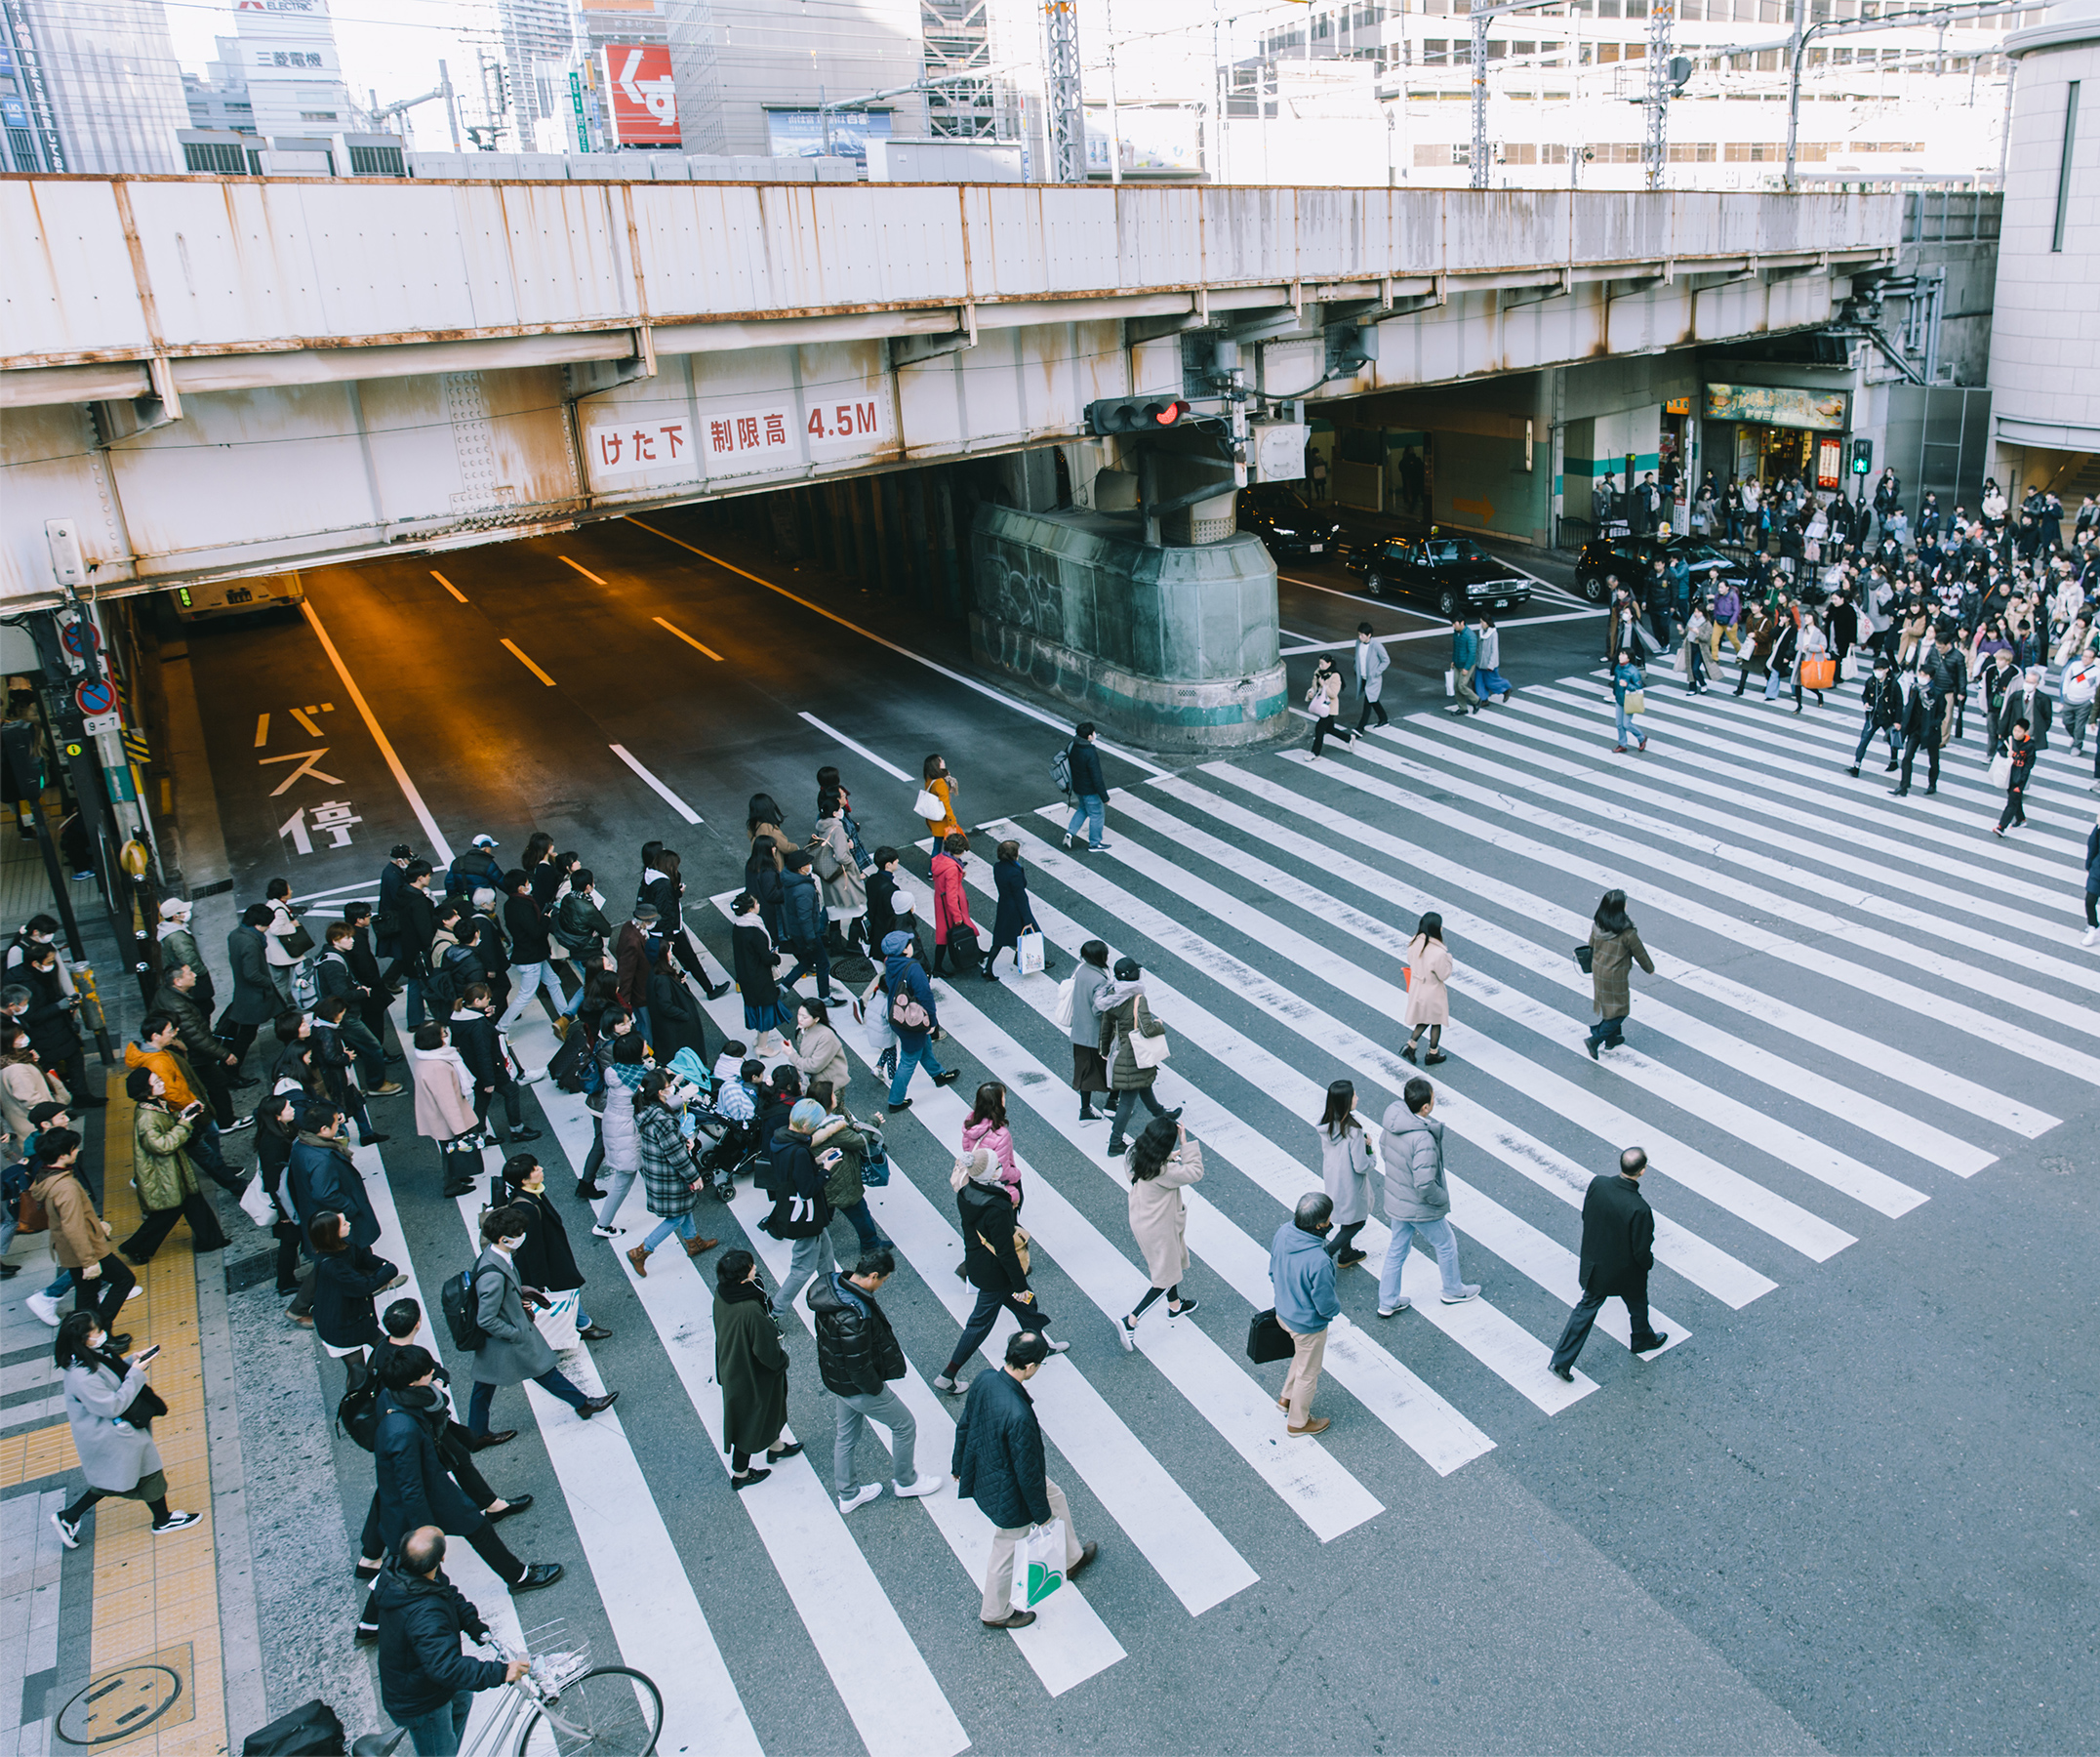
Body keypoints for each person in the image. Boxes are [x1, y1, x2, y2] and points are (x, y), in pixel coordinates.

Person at [951, 1328, 1096, 1630]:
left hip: (987, 1466)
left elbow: (965, 1424)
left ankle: (1071, 1557)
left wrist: (958, 1464)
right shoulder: (1020, 1415)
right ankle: (995, 1611)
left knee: (1055, 1496)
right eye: (1041, 1364)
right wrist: (1041, 1517)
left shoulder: (985, 1379)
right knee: (1006, 1546)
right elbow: (1028, 1473)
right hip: (1009, 1487)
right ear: (1029, 1366)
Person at [373, 1527, 531, 1757]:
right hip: (421, 1702)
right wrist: (501, 1672)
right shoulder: (424, 1615)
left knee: (463, 1700)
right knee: (440, 1751)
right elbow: (446, 1668)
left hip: (424, 1682)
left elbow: (446, 1593)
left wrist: (471, 1623)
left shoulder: (407, 1572)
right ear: (441, 1558)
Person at [464, 1205, 618, 1438]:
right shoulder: (493, 1274)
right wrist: (515, 1334)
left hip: (503, 1335)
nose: (523, 1236)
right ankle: (584, 1404)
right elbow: (486, 1318)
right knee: (542, 1370)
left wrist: (520, 1295)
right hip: (508, 1336)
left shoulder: (495, 1255)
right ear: (505, 1238)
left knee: (486, 1385)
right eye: (519, 1233)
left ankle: (476, 1433)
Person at [50, 1311, 200, 1545]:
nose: (102, 1334)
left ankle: (70, 1517)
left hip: (113, 1433)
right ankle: (162, 1520)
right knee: (143, 1473)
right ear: (83, 1338)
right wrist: (136, 1375)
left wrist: (132, 1363)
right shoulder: (81, 1376)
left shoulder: (81, 1357)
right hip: (114, 1433)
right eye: (96, 1331)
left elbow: (109, 1375)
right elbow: (112, 1406)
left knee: (122, 1476)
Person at [810, 1248, 941, 1512]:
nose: (882, 1285)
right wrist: (878, 1390)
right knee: (904, 1425)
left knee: (845, 1436)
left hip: (837, 1379)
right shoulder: (855, 1315)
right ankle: (906, 1481)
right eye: (883, 1280)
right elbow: (859, 1367)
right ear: (872, 1275)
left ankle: (848, 1494)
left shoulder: (833, 1288)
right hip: (858, 1386)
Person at [932, 1148, 1067, 1394]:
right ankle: (948, 1374)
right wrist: (1019, 1284)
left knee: (1026, 1304)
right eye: (996, 1167)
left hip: (978, 1262)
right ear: (989, 1175)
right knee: (981, 1323)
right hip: (996, 1274)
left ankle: (1041, 1344)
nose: (1000, 1169)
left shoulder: (967, 1192)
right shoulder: (996, 1206)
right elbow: (1006, 1251)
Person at [1548, 1148, 1670, 1380]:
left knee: (1586, 1308)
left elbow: (1587, 1215)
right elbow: (1641, 1250)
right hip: (1625, 1271)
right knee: (1637, 1301)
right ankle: (1642, 1339)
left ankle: (1561, 1360)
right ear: (1642, 1171)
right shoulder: (1639, 1208)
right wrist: (1647, 1263)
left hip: (1596, 1264)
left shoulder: (1599, 1184)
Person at [1377, 1076, 1479, 1318]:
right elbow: (1424, 1184)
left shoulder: (1393, 1122)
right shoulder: (1422, 1137)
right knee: (1445, 1243)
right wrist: (1441, 1198)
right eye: (1433, 1098)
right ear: (1425, 1107)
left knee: (1397, 1249)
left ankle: (1387, 1300)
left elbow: (1383, 1149)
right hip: (1418, 1205)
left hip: (1398, 1199)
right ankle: (1453, 1289)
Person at [119, 1067, 228, 1263]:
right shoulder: (146, 1117)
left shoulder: (156, 1105)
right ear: (146, 1089)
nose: (162, 1082)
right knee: (167, 1213)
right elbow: (161, 1145)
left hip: (173, 1169)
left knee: (193, 1203)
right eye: (157, 1081)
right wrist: (184, 1123)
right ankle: (135, 1247)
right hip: (164, 1173)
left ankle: (211, 1240)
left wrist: (185, 1115)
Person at [30, 1130, 134, 1335]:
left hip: (70, 1249)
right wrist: (89, 1261)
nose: (77, 1152)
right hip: (88, 1249)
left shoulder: (46, 1175)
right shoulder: (66, 1187)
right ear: (62, 1155)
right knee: (124, 1280)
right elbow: (73, 1226)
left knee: (87, 1294)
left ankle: (88, 1338)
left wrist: (95, 1223)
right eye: (73, 1148)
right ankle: (99, 1332)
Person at [714, 1248, 801, 1490]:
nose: (756, 1268)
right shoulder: (749, 1309)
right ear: (743, 1278)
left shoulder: (723, 1293)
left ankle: (776, 1447)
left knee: (767, 1408)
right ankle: (740, 1474)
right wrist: (782, 1362)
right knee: (748, 1419)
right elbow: (765, 1349)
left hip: (733, 1361)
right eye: (752, 1267)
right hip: (751, 1372)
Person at [501, 1154, 610, 1343]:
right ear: (523, 1180)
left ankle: (583, 1325)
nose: (540, 1169)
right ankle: (584, 1326)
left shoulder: (531, 1193)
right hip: (550, 1259)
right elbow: (533, 1248)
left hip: (552, 1253)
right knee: (567, 1288)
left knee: (567, 1288)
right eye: (535, 1169)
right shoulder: (526, 1207)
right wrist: (540, 1281)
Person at [626, 1070, 719, 1277]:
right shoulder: (663, 1120)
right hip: (669, 1174)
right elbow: (676, 1156)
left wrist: (679, 1140)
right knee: (676, 1216)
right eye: (669, 1086)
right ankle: (642, 1251)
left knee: (683, 1207)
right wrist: (694, 1176)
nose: (672, 1089)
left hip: (657, 1170)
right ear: (660, 1092)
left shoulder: (645, 1110)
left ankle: (694, 1242)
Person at [1119, 1117, 1202, 1345]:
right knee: (1163, 1278)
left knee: (1169, 1265)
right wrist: (1185, 1145)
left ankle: (1175, 1307)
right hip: (1158, 1227)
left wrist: (1169, 1155)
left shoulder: (1135, 1153)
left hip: (1142, 1217)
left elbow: (1152, 1167)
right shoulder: (1165, 1171)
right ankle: (1131, 1321)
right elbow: (1195, 1172)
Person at [1268, 1192, 1340, 1437]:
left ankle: (1286, 1398)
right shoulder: (1319, 1260)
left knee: (1301, 1358)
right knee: (1309, 1373)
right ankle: (1298, 1423)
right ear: (1320, 1225)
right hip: (1307, 1323)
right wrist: (1331, 1314)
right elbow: (1325, 1302)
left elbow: (1272, 1270)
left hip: (1284, 1311)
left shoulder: (1283, 1232)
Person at [1097, 957, 1181, 1157]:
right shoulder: (1137, 998)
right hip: (1134, 1052)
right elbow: (1147, 1028)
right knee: (1127, 1099)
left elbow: (1106, 1027)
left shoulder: (1111, 995)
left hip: (1120, 1049)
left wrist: (1104, 1050)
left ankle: (1162, 1115)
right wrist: (1159, 1025)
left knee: (1143, 1084)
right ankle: (1115, 1141)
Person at [310, 1210, 401, 1384]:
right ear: (332, 1233)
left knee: (382, 1347)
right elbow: (363, 1286)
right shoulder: (333, 1266)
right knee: (357, 1368)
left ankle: (369, 1384)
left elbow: (363, 1258)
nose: (349, 1224)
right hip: (340, 1325)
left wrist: (382, 1265)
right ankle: (361, 1396)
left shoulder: (343, 1247)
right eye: (344, 1224)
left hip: (352, 1318)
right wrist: (388, 1270)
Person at [765, 1097, 835, 1309]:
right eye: (815, 1126)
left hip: (796, 1209)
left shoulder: (778, 1140)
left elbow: (791, 1170)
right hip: (805, 1214)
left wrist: (816, 1160)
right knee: (802, 1269)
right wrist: (826, 1170)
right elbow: (808, 1189)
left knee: (825, 1253)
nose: (815, 1130)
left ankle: (833, 1289)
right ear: (805, 1126)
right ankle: (776, 1310)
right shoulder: (800, 1150)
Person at [808, 1079, 891, 1253]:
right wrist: (873, 1121)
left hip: (825, 1175)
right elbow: (859, 1142)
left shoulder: (810, 1120)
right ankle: (870, 1244)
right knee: (860, 1213)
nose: (835, 1096)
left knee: (827, 1205)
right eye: (832, 1095)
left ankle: (817, 1230)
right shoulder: (833, 1128)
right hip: (842, 1178)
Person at [880, 931, 956, 1112]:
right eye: (909, 943)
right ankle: (895, 1100)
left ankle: (938, 1074)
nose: (911, 945)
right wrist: (932, 1022)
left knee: (924, 1046)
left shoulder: (890, 963)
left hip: (898, 1016)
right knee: (908, 1059)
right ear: (905, 950)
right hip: (912, 1020)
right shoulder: (913, 967)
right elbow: (925, 995)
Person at [410, 1023, 483, 1200]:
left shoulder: (426, 1058)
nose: (446, 1036)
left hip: (437, 1115)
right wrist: (460, 1129)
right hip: (445, 1118)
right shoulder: (438, 1066)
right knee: (451, 1150)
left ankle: (458, 1175)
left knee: (450, 1150)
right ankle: (452, 1184)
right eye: (443, 1034)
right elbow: (447, 1101)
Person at [589, 1035, 650, 1240]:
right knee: (624, 1180)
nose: (646, 1045)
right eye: (643, 1044)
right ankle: (603, 1224)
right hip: (628, 1132)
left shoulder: (614, 1071)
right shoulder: (640, 1078)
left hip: (614, 1124)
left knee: (642, 1167)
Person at [1585, 889, 1656, 1056]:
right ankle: (1596, 1038)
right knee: (1620, 1010)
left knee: (1609, 1005)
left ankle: (1612, 1039)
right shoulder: (1626, 932)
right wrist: (1650, 969)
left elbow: (1591, 945)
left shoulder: (1597, 925)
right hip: (1615, 975)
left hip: (1599, 970)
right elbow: (1640, 953)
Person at [1313, 1082, 1376, 1271]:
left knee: (1347, 1216)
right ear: (1346, 1102)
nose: (1357, 1098)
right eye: (1354, 1095)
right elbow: (1361, 1165)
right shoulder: (1353, 1131)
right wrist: (1369, 1150)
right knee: (1357, 1220)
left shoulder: (1327, 1125)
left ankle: (1346, 1254)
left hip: (1334, 1178)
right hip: (1350, 1182)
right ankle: (1329, 1252)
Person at [217, 903, 281, 1071]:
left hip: (245, 993)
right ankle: (231, 1070)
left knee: (248, 1031)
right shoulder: (251, 943)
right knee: (246, 1035)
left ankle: (231, 1069)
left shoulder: (236, 935)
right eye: (267, 925)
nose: (267, 929)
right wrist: (266, 981)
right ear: (259, 925)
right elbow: (251, 974)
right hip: (256, 995)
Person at [730, 891, 788, 1059]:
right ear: (750, 908)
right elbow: (765, 957)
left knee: (756, 1008)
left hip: (745, 975)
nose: (759, 905)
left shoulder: (738, 926)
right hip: (759, 977)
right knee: (765, 1011)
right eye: (756, 903)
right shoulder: (754, 929)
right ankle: (762, 1046)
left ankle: (759, 1040)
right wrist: (776, 957)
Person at [985, 841, 1053, 982]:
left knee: (999, 938)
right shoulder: (1014, 872)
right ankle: (1037, 961)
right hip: (1016, 908)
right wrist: (1026, 917)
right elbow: (1020, 896)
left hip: (1004, 905)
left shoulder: (998, 867)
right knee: (1033, 933)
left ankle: (988, 967)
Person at [812, 793, 868, 956]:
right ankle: (852, 942)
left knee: (835, 911)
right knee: (859, 907)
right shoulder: (837, 828)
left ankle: (836, 946)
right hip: (842, 875)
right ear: (835, 813)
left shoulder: (821, 825)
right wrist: (852, 863)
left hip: (828, 874)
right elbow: (841, 855)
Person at [777, 847, 836, 1003]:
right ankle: (824, 997)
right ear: (800, 868)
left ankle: (783, 987)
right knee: (823, 964)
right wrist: (811, 939)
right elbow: (805, 918)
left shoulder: (790, 881)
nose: (810, 864)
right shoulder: (803, 889)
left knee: (807, 961)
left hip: (797, 931)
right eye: (807, 863)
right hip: (808, 933)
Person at [1068, 939, 1113, 1124]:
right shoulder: (1099, 980)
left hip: (1080, 1031)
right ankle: (1112, 1103)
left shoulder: (1082, 970)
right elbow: (1098, 1009)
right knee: (1112, 1068)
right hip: (1095, 1034)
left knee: (1084, 1070)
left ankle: (1085, 1108)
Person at [1399, 912, 1452, 1066]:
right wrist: (1449, 959)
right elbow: (1443, 974)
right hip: (1432, 990)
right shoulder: (1439, 952)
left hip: (1417, 987)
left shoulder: (1414, 943)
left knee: (1424, 1019)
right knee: (1436, 1021)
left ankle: (1411, 1045)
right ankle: (1432, 1053)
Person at [962, 1083, 1023, 1211]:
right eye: (1003, 1098)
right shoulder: (1000, 1135)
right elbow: (1003, 1171)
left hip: (977, 1180)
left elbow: (967, 1150)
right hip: (996, 1186)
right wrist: (1017, 1174)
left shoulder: (970, 1125)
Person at [929, 834, 982, 981]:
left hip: (941, 902)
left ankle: (974, 952)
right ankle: (938, 967)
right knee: (955, 932)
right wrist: (957, 916)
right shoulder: (952, 868)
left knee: (944, 934)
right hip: (951, 905)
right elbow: (952, 895)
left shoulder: (942, 860)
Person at [1847, 653, 1905, 778]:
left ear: (1886, 670)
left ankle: (1893, 762)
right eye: (1876, 669)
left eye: (1880, 670)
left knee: (1892, 740)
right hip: (1873, 717)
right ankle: (1856, 766)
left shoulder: (1893, 684)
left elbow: (1899, 703)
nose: (1877, 672)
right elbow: (1865, 695)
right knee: (1864, 741)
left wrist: (1897, 721)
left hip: (1888, 718)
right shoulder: (1871, 682)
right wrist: (1866, 703)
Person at [788, 997, 850, 1097]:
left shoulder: (826, 1037)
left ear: (816, 1019)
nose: (800, 1019)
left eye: (804, 1017)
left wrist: (792, 1055)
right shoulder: (803, 1028)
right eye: (799, 1014)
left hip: (828, 1087)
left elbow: (814, 1066)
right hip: (816, 1083)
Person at [1064, 722, 1111, 851]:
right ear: (1089, 737)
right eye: (1094, 733)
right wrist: (1104, 797)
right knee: (1097, 815)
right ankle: (1095, 844)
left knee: (1083, 809)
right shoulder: (1089, 752)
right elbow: (1096, 777)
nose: (1095, 735)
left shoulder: (1072, 745)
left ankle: (1070, 833)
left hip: (1078, 787)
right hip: (1089, 790)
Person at [1995, 718, 2037, 838]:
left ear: (2026, 732)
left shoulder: (2029, 746)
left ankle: (2001, 827)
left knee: (2012, 802)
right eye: (2015, 730)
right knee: (2014, 799)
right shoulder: (2010, 740)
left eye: (2019, 731)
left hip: (2019, 778)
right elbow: (2000, 749)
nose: (2016, 733)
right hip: (2008, 774)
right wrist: (2006, 754)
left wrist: (2021, 783)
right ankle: (2021, 819)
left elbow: (2029, 765)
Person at [1353, 625, 1391, 731]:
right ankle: (1383, 719)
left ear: (1369, 635)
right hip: (1363, 677)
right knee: (1373, 700)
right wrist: (1356, 668)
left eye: (1362, 635)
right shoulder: (1358, 643)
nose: (1360, 637)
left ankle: (1360, 728)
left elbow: (1386, 660)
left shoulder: (1376, 645)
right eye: (1359, 634)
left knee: (1368, 704)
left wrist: (1376, 672)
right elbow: (1357, 658)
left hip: (1373, 679)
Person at [1610, 648, 1647, 754]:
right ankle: (1622, 744)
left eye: (1623, 655)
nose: (1620, 656)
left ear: (1629, 657)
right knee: (1619, 724)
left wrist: (1627, 685)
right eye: (1620, 654)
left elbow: (1639, 687)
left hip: (1629, 699)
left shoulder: (1633, 671)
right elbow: (1615, 682)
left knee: (1626, 724)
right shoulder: (1618, 667)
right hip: (1619, 698)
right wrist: (1615, 692)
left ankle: (1641, 737)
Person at [920, 754, 962, 842]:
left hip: (933, 818)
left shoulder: (930, 779)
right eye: (940, 760)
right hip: (941, 820)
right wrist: (952, 821)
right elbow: (945, 804)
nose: (943, 761)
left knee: (938, 844)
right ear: (937, 765)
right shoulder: (940, 783)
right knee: (939, 845)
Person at [1472, 612, 1511, 702]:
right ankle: (1483, 699)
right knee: (1479, 682)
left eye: (1482, 622)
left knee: (1491, 682)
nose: (1481, 624)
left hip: (1489, 665)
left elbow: (1494, 650)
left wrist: (1491, 665)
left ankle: (1506, 689)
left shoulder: (1493, 633)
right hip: (1480, 663)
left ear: (1487, 622)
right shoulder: (1481, 632)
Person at [1448, 616, 1480, 715]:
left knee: (1461, 686)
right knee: (1456, 686)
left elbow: (1472, 654)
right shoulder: (1456, 633)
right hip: (1458, 663)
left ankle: (1476, 700)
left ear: (1462, 622)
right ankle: (1462, 708)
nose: (1453, 626)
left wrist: (1466, 668)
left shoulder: (1470, 636)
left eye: (1455, 624)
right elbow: (1455, 648)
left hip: (1467, 665)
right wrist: (1453, 660)